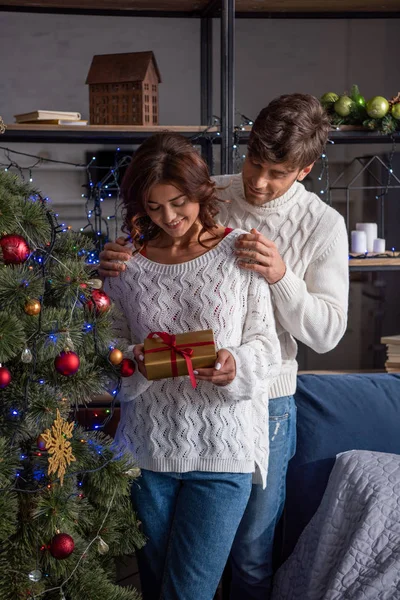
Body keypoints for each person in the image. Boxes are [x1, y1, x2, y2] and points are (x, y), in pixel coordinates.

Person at [99, 94, 349, 599]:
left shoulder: (323, 225)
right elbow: (163, 208)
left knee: (251, 553)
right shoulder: (208, 194)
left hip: (264, 397)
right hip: (164, 421)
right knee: (172, 568)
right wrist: (119, 257)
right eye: (254, 161)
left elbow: (325, 333)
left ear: (305, 169)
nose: (257, 181)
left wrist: (281, 277)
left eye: (276, 172)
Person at [103, 132, 281, 600]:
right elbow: (110, 345)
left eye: (178, 202)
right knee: (161, 590)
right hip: (146, 454)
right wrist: (134, 358)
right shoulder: (127, 264)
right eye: (155, 206)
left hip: (223, 453)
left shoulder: (241, 251)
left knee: (188, 594)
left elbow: (266, 345)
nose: (169, 217)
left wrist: (235, 365)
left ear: (201, 192)